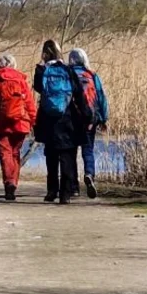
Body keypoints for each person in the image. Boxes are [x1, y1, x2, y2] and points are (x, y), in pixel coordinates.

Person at [33, 42, 91, 204]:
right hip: (67, 118)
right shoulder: (68, 70)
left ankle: (52, 191)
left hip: (47, 118)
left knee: (51, 156)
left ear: (44, 54)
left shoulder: (41, 70)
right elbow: (79, 94)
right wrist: (87, 116)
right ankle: (65, 194)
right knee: (67, 156)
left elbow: (38, 88)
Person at [0, 53, 37, 202]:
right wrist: (33, 121)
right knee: (15, 153)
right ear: (14, 65)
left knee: (5, 153)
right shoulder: (21, 80)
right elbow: (30, 104)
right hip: (21, 122)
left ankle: (9, 183)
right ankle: (13, 183)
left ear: (0, 66)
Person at [70, 48, 110, 198]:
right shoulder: (92, 75)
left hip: (72, 119)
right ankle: (89, 174)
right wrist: (103, 118)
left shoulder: (68, 74)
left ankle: (73, 186)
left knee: (71, 153)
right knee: (88, 149)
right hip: (89, 119)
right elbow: (101, 97)